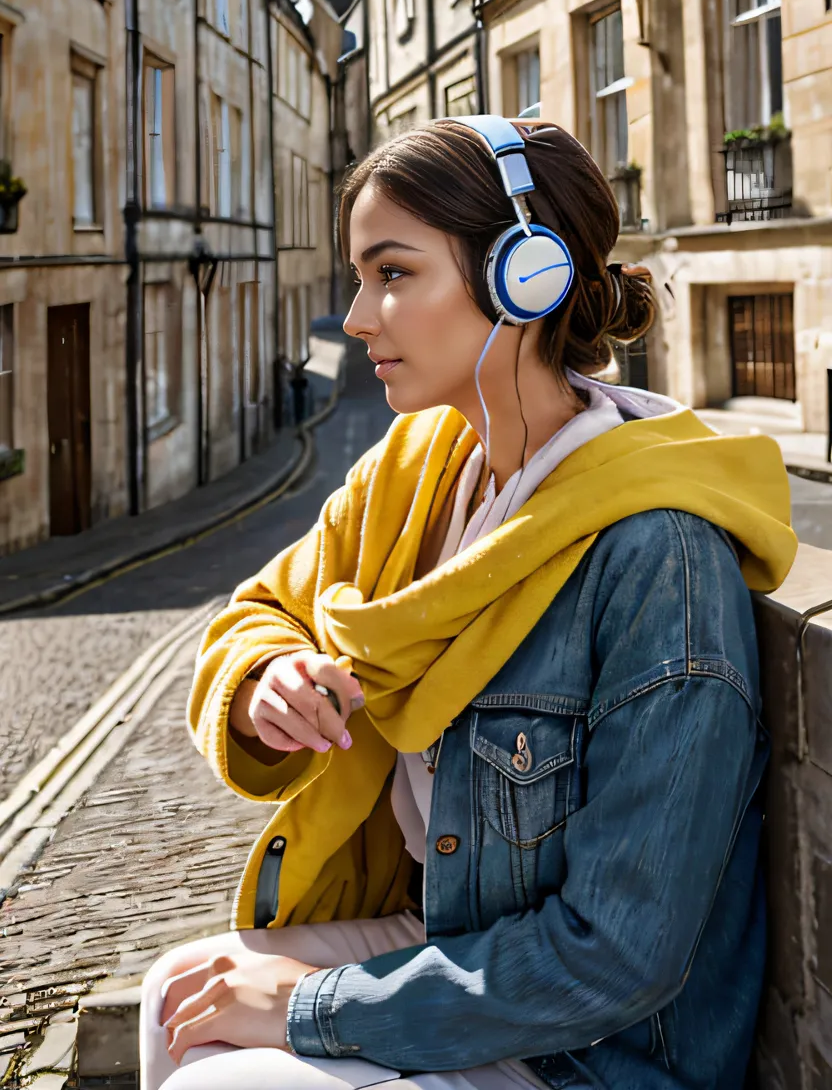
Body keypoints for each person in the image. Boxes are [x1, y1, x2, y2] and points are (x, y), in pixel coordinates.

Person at [140, 118, 797, 1090]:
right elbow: (259, 608)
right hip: (461, 934)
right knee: (177, 991)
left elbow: (618, 952)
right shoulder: (412, 473)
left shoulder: (655, 555)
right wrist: (262, 678)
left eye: (393, 273)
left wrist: (304, 1006)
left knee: (221, 1074)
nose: (358, 317)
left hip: (580, 1043)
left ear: (521, 276)